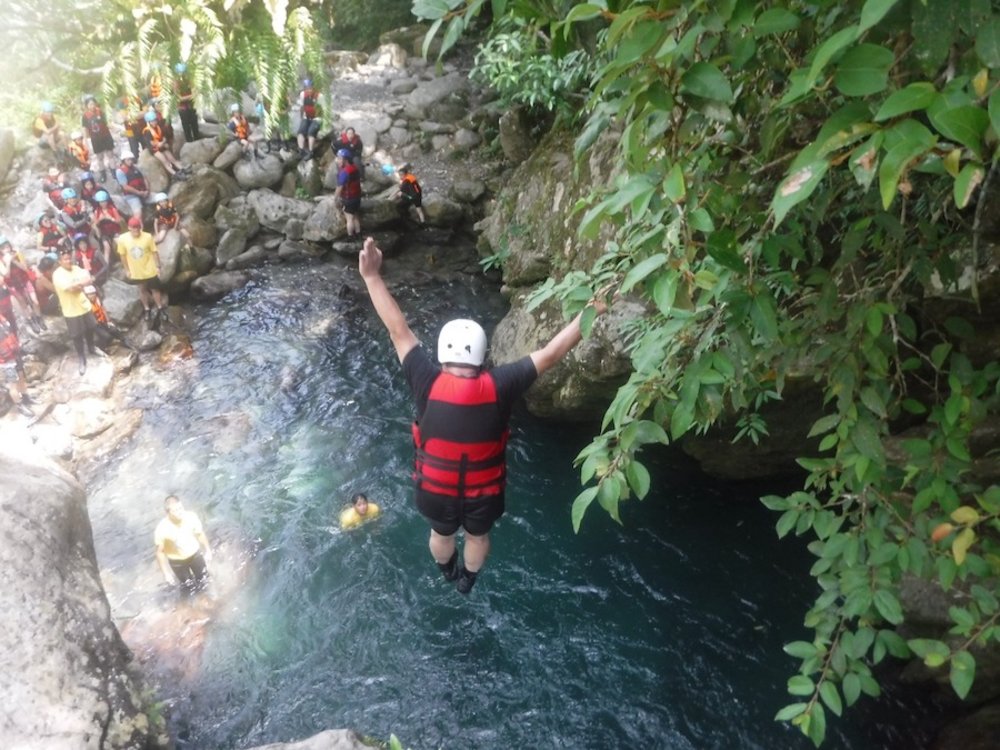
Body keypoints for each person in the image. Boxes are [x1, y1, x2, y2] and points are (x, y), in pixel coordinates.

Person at [358, 236, 606, 594]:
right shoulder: (501, 383)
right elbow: (551, 353)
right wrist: (592, 310)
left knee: (440, 534)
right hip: (482, 495)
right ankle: (467, 580)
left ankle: (447, 572)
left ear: (443, 355)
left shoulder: (425, 380)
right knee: (478, 537)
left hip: (436, 494)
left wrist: (372, 278)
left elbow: (398, 330)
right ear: (481, 356)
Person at [154, 495, 213, 597]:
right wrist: (166, 573)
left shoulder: (191, 517)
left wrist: (208, 550)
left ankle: (205, 599)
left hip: (195, 554)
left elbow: (200, 534)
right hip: (178, 561)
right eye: (175, 510)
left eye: (181, 508)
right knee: (188, 585)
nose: (180, 512)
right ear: (168, 513)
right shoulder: (162, 529)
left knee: (203, 579)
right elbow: (160, 552)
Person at [51, 247, 97, 375]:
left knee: (91, 326)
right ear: (60, 261)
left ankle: (91, 347)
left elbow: (89, 278)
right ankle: (81, 357)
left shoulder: (76, 269)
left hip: (84, 304)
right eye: (65, 259)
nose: (68, 260)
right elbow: (70, 288)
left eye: (69, 258)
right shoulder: (57, 274)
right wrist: (82, 283)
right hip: (70, 309)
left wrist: (80, 284)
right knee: (76, 335)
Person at [117, 216, 166, 327]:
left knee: (155, 289)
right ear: (129, 228)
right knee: (142, 289)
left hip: (150, 268)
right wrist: (127, 270)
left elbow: (154, 251)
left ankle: (160, 308)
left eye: (138, 228)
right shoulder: (122, 239)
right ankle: (146, 308)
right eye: (134, 228)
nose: (136, 230)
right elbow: (123, 256)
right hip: (136, 270)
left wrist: (158, 266)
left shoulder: (147, 237)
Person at [0, 238, 46, 332]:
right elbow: (6, 275)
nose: (7, 249)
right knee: (23, 304)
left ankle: (39, 318)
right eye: (4, 248)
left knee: (35, 301)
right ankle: (31, 321)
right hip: (13, 284)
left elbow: (25, 268)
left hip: (24, 280)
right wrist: (8, 262)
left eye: (7, 246)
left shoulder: (17, 253)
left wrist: (15, 261)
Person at [0, 311, 33, 418]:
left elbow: (8, 331)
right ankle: (20, 406)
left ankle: (26, 398)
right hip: (6, 360)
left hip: (14, 352)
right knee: (13, 384)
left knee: (21, 377)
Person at [84, 284, 133, 351]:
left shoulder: (97, 300)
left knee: (114, 330)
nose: (92, 295)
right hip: (95, 325)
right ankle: (101, 348)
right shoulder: (85, 304)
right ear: (86, 296)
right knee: (106, 337)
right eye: (90, 294)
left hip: (103, 321)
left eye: (93, 294)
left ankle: (124, 341)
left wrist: (108, 321)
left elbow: (103, 310)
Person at [81, 96, 116, 182]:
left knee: (110, 155)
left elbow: (106, 123)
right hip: (95, 139)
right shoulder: (85, 116)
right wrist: (86, 141)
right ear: (87, 106)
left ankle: (114, 172)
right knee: (100, 157)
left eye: (93, 103)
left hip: (106, 136)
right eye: (90, 104)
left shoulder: (100, 112)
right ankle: (103, 174)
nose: (92, 106)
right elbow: (84, 129)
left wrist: (115, 128)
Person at [142, 110, 185, 178]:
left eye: (155, 120)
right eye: (152, 121)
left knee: (172, 159)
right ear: (149, 122)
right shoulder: (147, 131)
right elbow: (151, 143)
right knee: (165, 161)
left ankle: (183, 169)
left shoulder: (158, 127)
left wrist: (163, 143)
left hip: (162, 146)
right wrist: (160, 144)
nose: (154, 122)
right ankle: (175, 174)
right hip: (155, 149)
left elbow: (164, 137)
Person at [334, 149, 362, 238]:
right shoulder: (355, 168)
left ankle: (350, 236)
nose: (337, 161)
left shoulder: (344, 172)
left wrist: (335, 198)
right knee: (356, 216)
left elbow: (339, 188)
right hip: (357, 198)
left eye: (339, 159)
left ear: (345, 160)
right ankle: (358, 233)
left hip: (349, 199)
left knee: (349, 218)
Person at [116, 148, 150, 218]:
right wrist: (139, 193)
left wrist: (147, 190)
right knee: (138, 213)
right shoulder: (120, 171)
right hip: (131, 196)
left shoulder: (136, 167)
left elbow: (144, 178)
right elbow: (125, 187)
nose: (130, 161)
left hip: (144, 192)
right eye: (128, 160)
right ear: (123, 161)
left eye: (131, 159)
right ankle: (136, 227)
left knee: (161, 197)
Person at [92, 191, 124, 262]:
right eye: (101, 202)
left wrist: (111, 218)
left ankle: (127, 259)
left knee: (120, 244)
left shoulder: (112, 209)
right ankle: (106, 266)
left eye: (104, 201)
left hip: (115, 231)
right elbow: (96, 223)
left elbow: (118, 220)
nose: (103, 204)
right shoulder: (97, 211)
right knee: (107, 248)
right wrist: (100, 219)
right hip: (105, 233)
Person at [173, 63, 199, 142]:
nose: (182, 75)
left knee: (194, 125)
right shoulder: (175, 82)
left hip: (191, 106)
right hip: (183, 108)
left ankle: (197, 140)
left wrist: (191, 96)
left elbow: (195, 91)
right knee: (186, 126)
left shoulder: (189, 80)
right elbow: (178, 98)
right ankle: (189, 142)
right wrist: (190, 96)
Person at [295, 78, 321, 158]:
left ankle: (310, 151)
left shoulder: (319, 96)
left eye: (310, 88)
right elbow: (302, 107)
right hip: (306, 116)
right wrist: (301, 118)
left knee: (311, 132)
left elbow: (323, 109)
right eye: (307, 88)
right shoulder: (303, 94)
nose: (309, 90)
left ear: (313, 87)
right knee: (300, 132)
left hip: (317, 118)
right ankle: (301, 150)